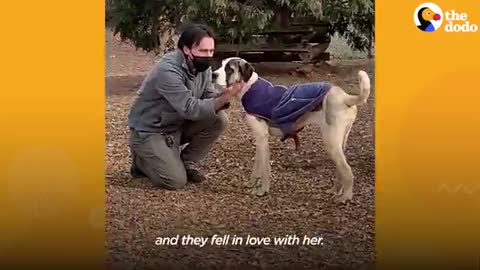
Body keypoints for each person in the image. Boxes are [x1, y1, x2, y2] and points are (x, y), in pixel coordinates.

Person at [127, 23, 244, 190]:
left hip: (175, 125)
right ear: (186, 49)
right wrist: (225, 97)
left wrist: (223, 94)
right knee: (174, 181)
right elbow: (190, 108)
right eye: (203, 51)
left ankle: (186, 162)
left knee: (218, 120)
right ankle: (141, 161)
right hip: (150, 130)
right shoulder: (167, 70)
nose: (208, 55)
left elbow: (207, 94)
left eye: (211, 51)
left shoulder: (202, 67)